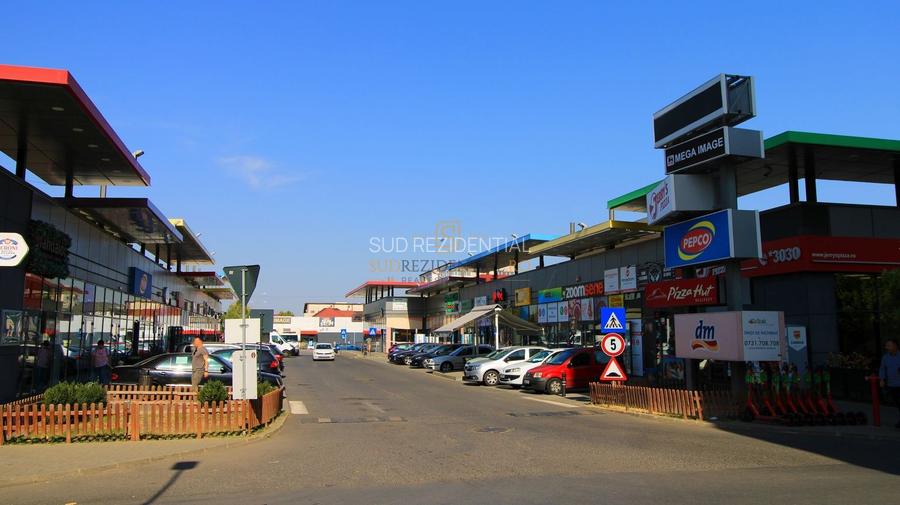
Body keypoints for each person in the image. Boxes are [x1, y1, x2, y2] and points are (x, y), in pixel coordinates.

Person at [879, 339, 900, 428]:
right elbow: (882, 369)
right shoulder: (885, 357)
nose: (886, 347)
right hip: (892, 384)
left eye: (889, 345)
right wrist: (882, 379)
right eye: (886, 346)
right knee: (898, 403)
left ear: (895, 346)